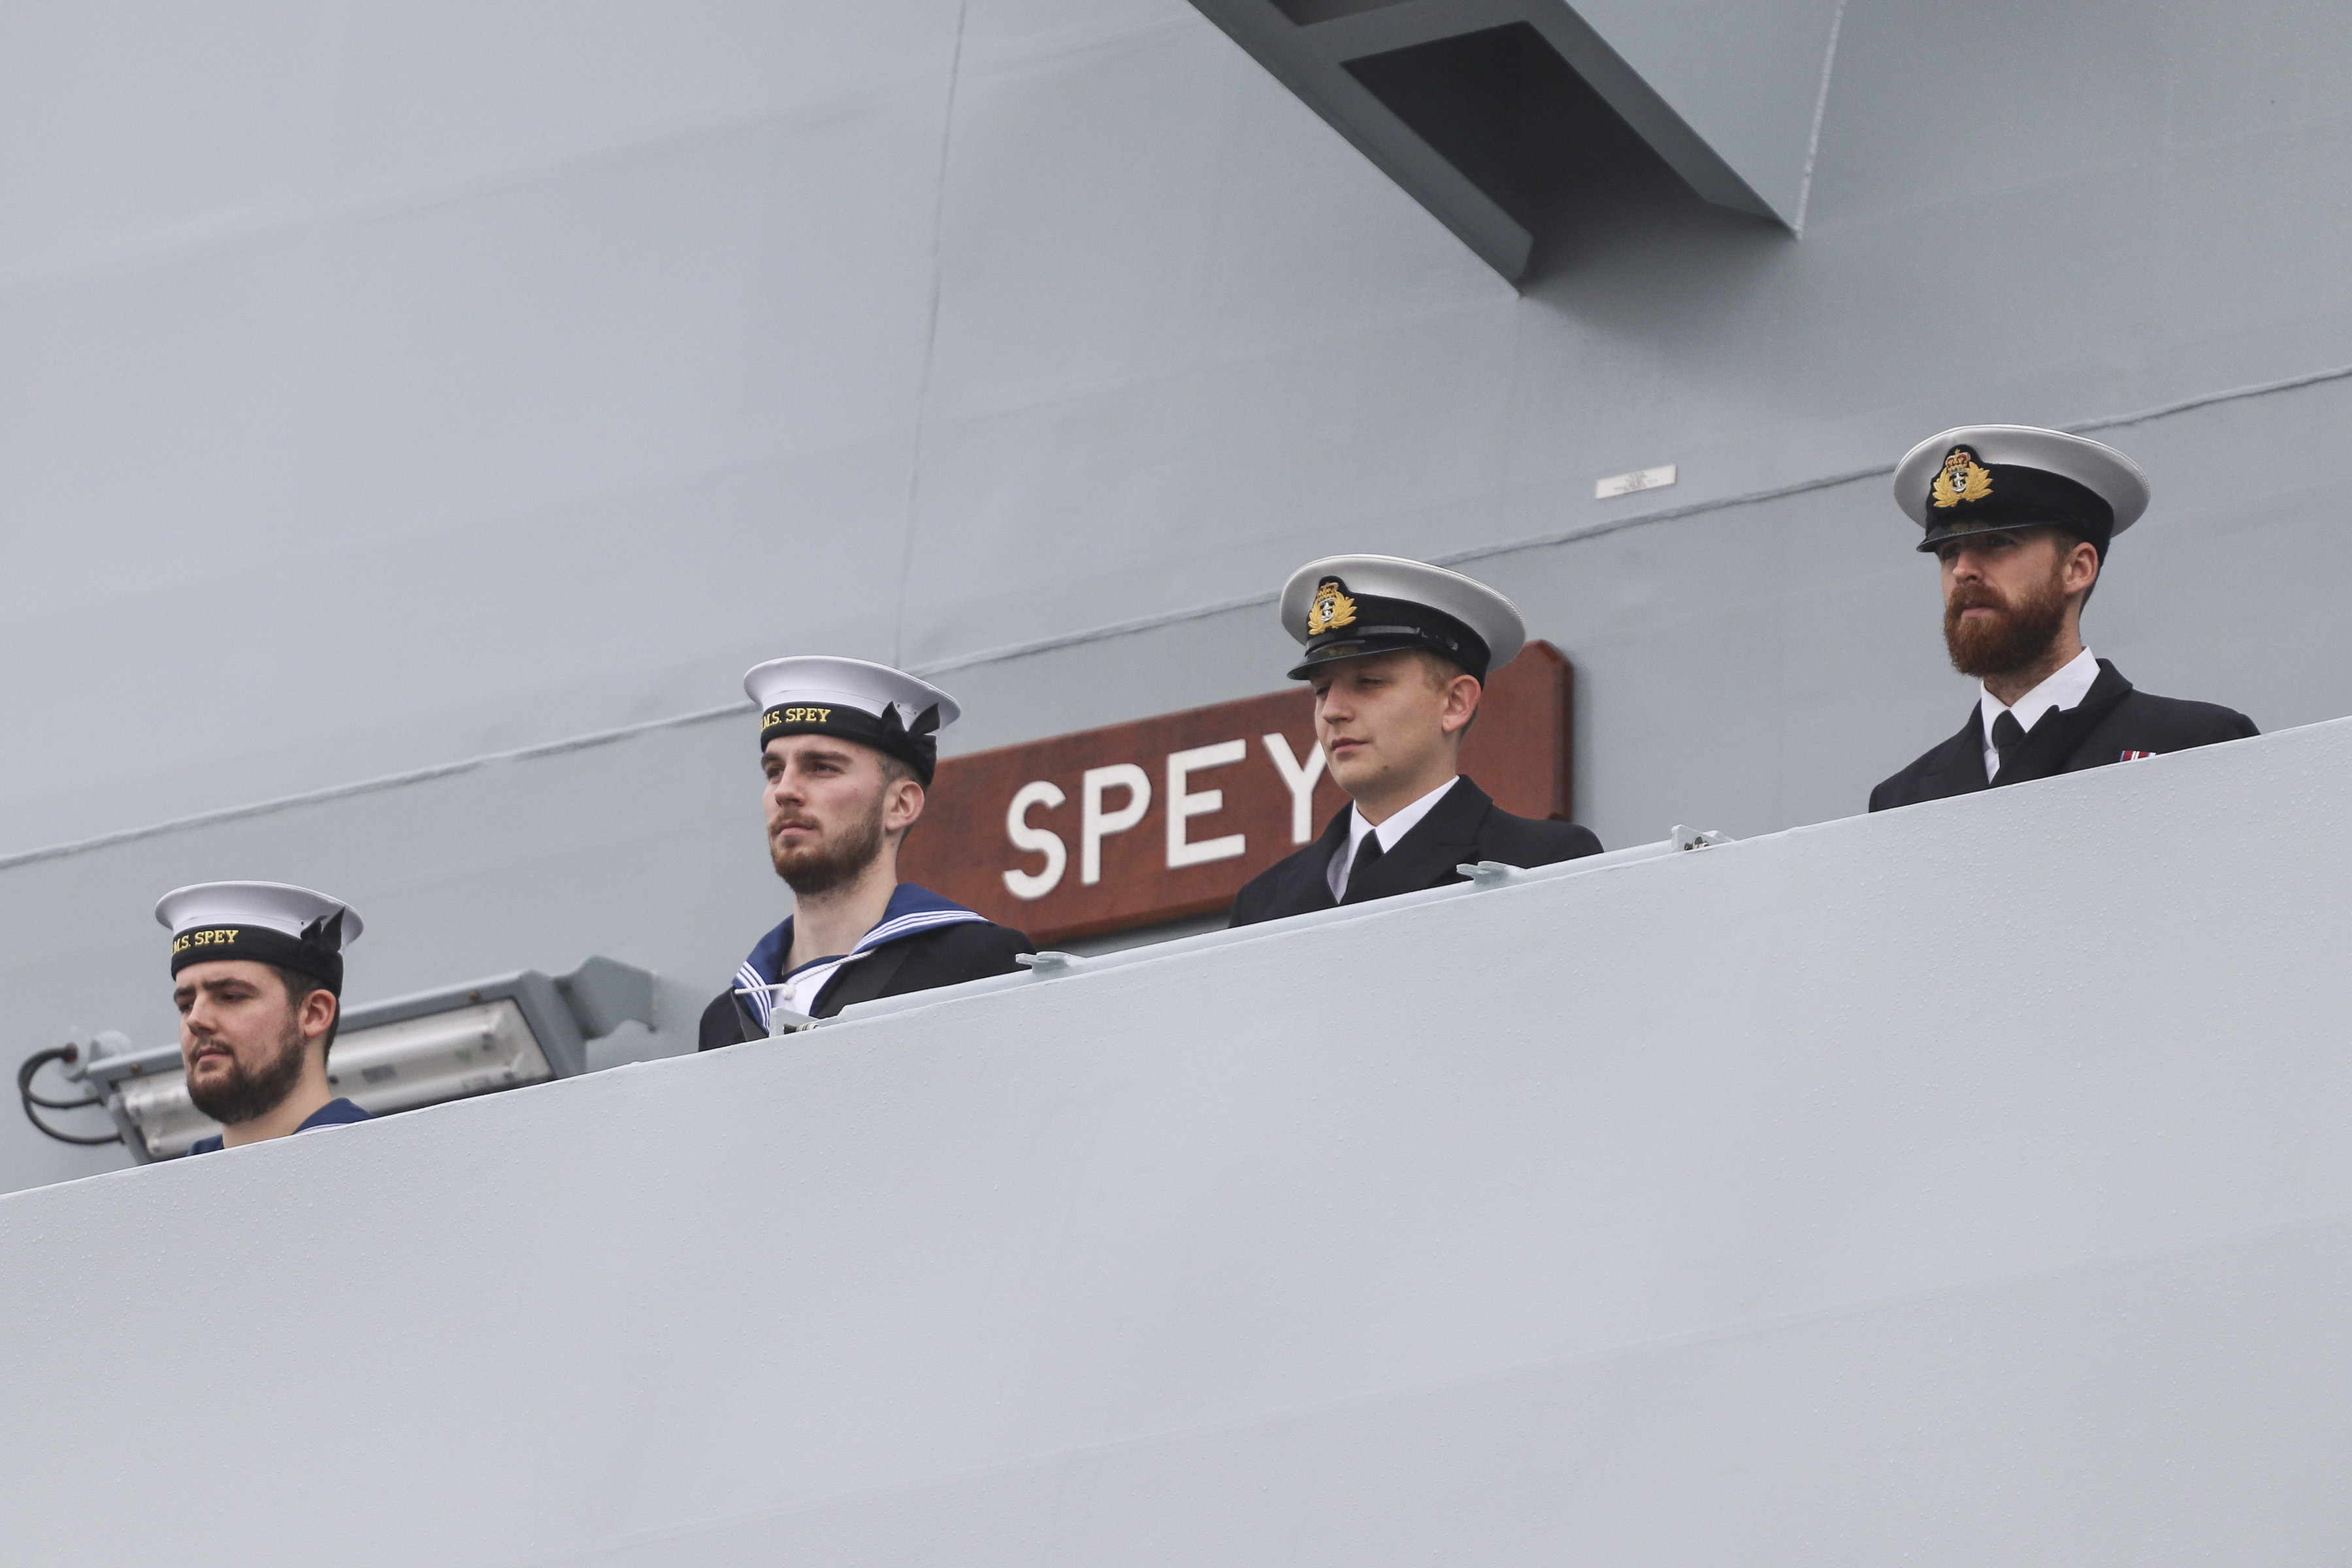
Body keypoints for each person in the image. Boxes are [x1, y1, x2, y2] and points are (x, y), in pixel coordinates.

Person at [1870, 425, 2257, 811]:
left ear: (2077, 568)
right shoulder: (1902, 801)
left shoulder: (2196, 745)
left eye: (1997, 543)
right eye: (1950, 551)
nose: (1963, 570)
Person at [1229, 555, 1603, 926]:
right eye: (1322, 690)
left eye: (1369, 683)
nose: (1332, 711)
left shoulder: (1541, 861)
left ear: (1455, 702)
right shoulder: (1262, 904)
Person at [698, 657, 1033, 1047]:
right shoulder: (726, 1019)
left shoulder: (977, 965)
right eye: (774, 771)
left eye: (821, 767)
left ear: (900, 805)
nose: (784, 790)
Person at [158, 881, 372, 1154]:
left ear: (314, 1014)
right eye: (186, 1005)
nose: (195, 1020)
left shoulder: (384, 1168)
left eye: (231, 996)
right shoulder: (176, 1189)